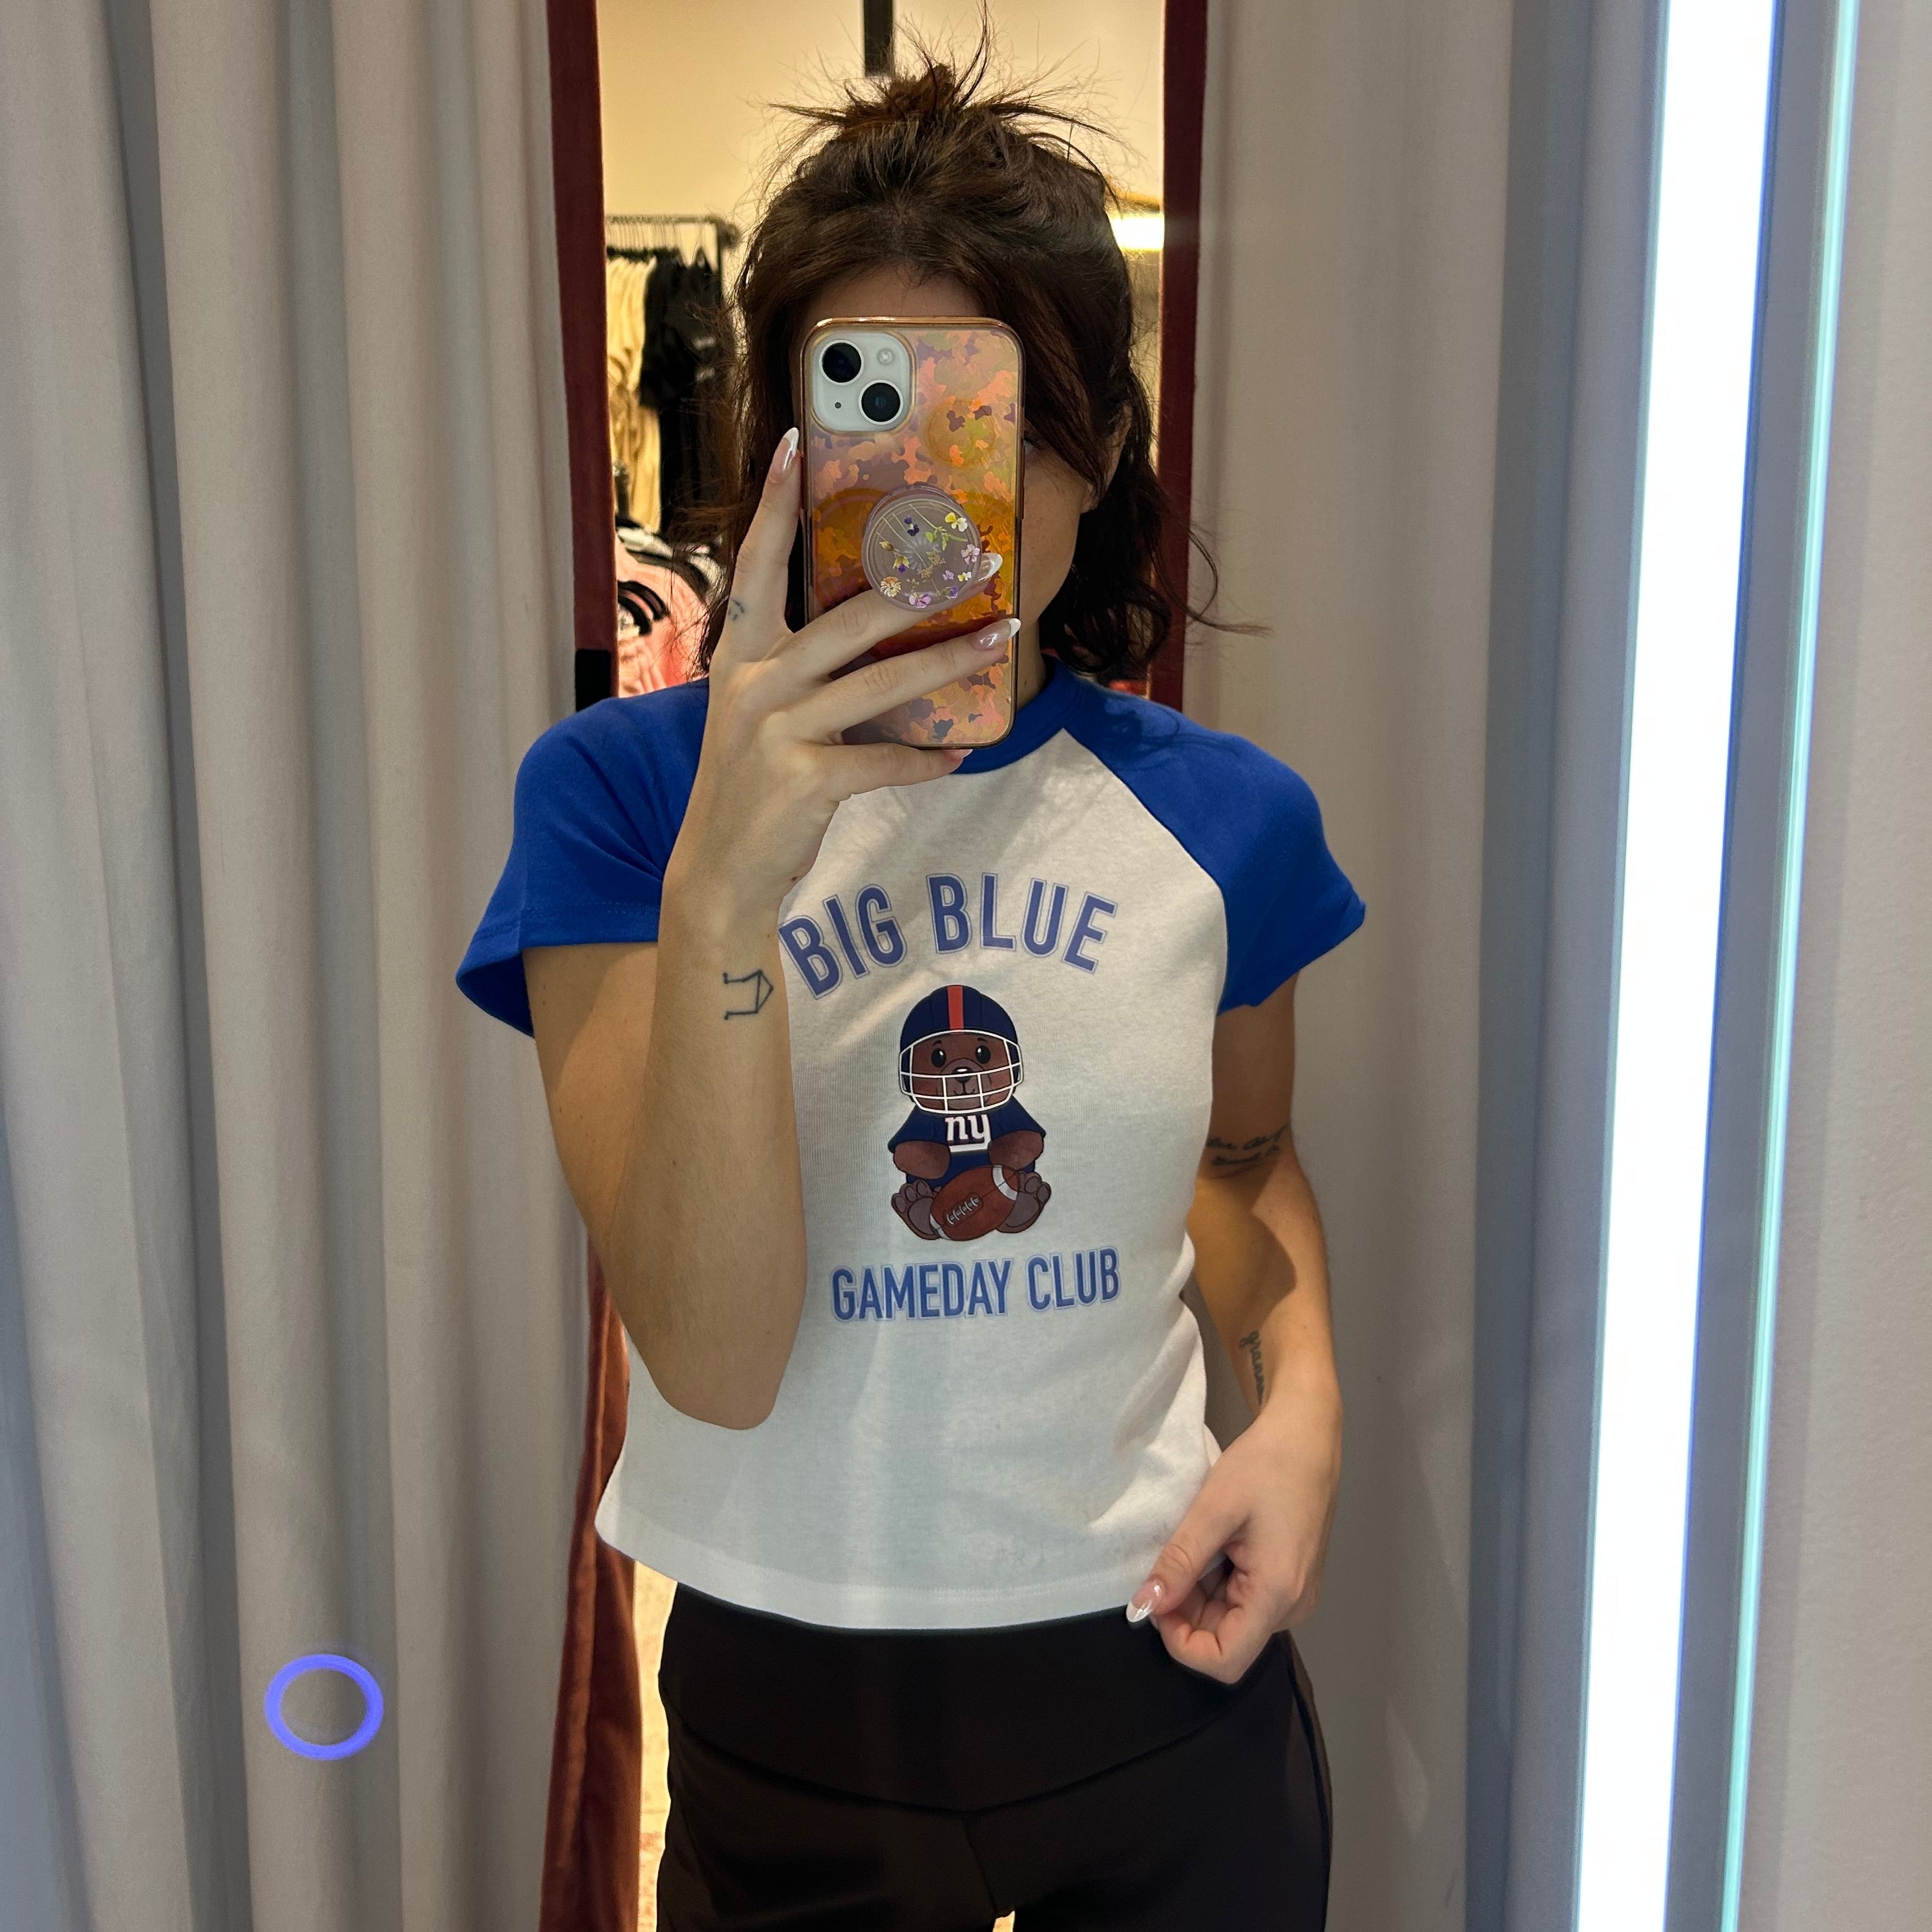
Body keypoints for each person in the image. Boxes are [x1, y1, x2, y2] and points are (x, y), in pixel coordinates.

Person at [458, 45, 1364, 1932]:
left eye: (1001, 413)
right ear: (786, 450)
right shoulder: (621, 803)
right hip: (793, 1720)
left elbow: (1243, 1166)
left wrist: (1302, 1409)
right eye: (879, 408)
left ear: (1101, 447)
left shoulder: (1226, 816)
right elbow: (710, 1356)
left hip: (1161, 1677)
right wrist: (728, 884)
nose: (948, 490)